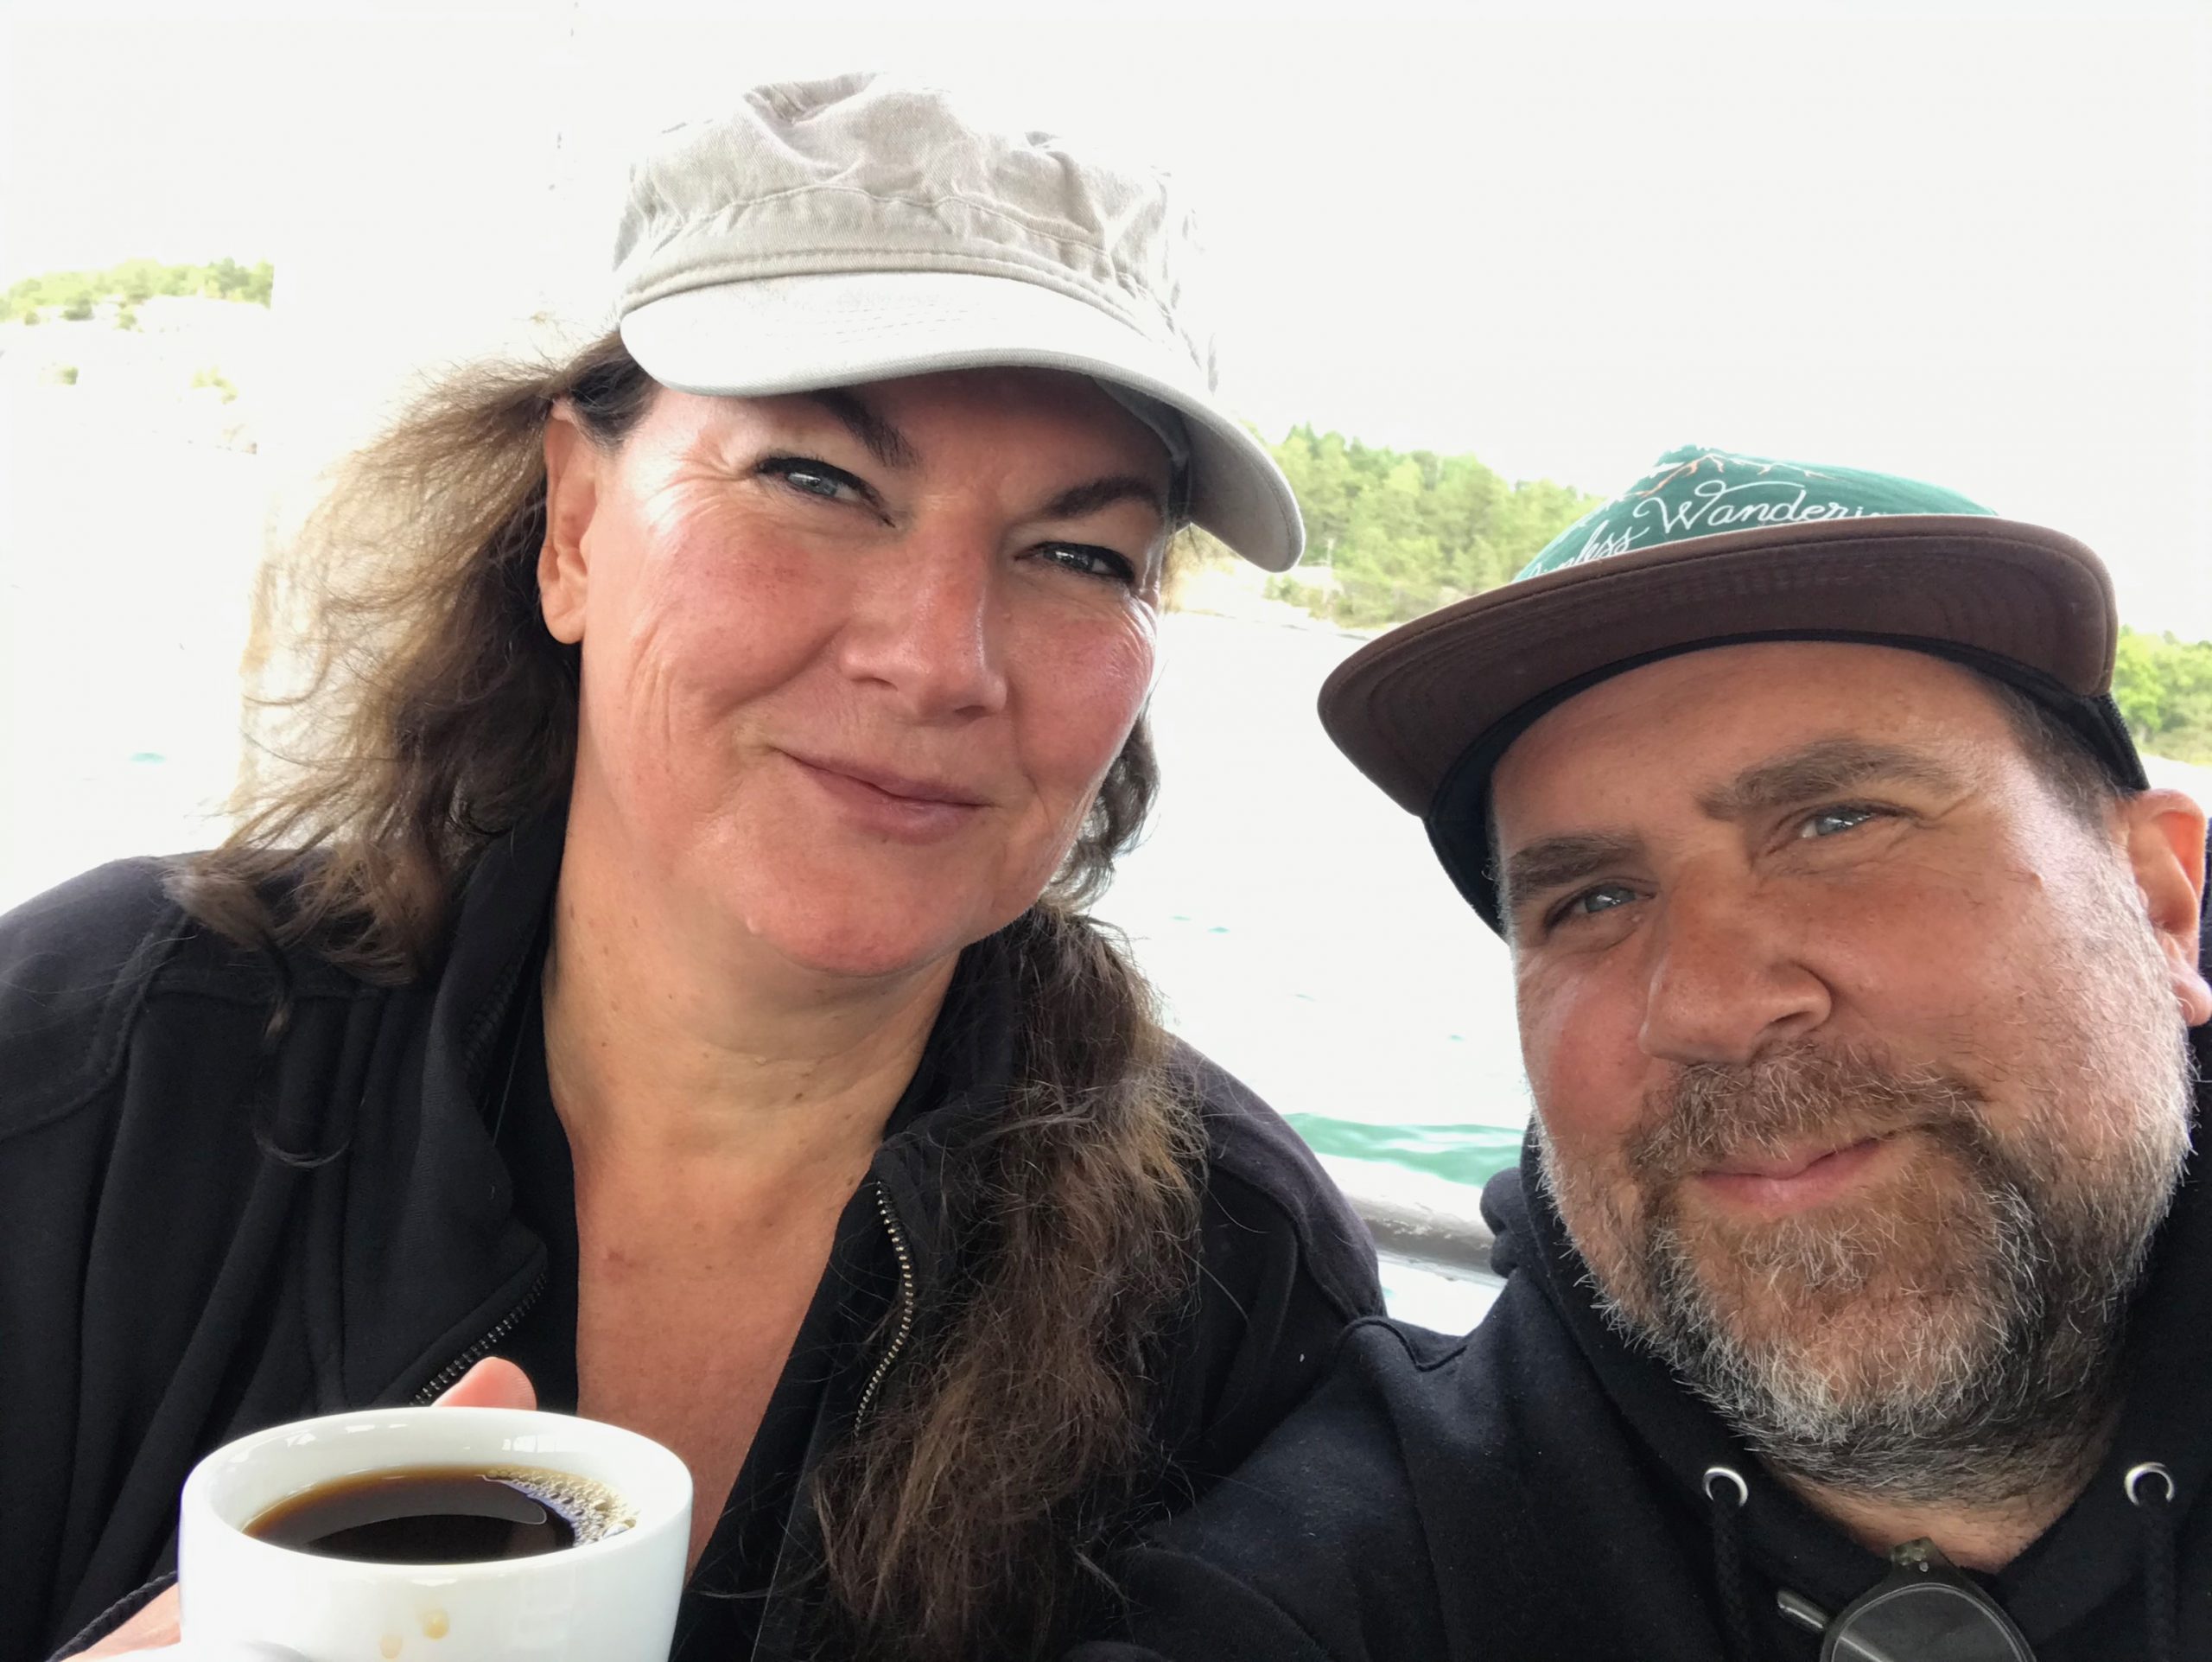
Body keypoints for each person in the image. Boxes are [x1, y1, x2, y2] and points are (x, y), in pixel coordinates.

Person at [3, 74, 1382, 1662]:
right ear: (575, 526)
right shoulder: (102, 1067)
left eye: (1078, 554)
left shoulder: (1236, 1282)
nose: (940, 660)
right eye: (818, 482)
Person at [1072, 447, 2212, 1661]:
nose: (1709, 1005)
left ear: (2161, 901)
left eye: (1839, 822)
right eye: (1595, 900)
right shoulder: (1349, 1576)